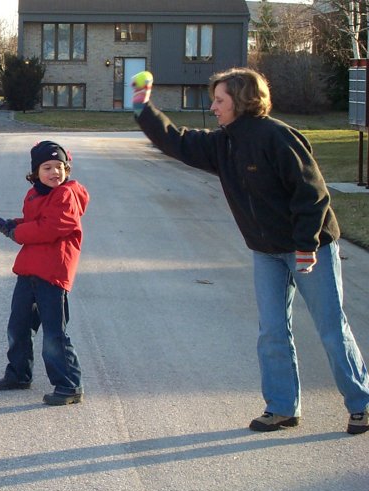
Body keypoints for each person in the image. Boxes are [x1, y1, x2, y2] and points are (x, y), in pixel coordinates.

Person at [130, 67, 369, 434]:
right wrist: (144, 109)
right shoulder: (223, 143)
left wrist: (306, 245)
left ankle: (361, 403)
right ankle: (282, 408)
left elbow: (312, 193)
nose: (213, 107)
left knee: (331, 329)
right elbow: (178, 142)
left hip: (309, 248)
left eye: (219, 100)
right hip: (266, 251)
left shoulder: (277, 136)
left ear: (241, 101)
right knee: (272, 331)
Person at [0, 140, 90, 406]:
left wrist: (18, 233)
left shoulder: (67, 194)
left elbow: (51, 227)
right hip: (29, 271)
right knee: (18, 327)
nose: (55, 172)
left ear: (67, 169)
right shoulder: (34, 194)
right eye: (47, 167)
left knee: (54, 335)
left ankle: (69, 386)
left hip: (53, 275)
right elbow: (35, 222)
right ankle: (19, 374)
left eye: (60, 166)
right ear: (36, 172)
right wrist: (15, 224)